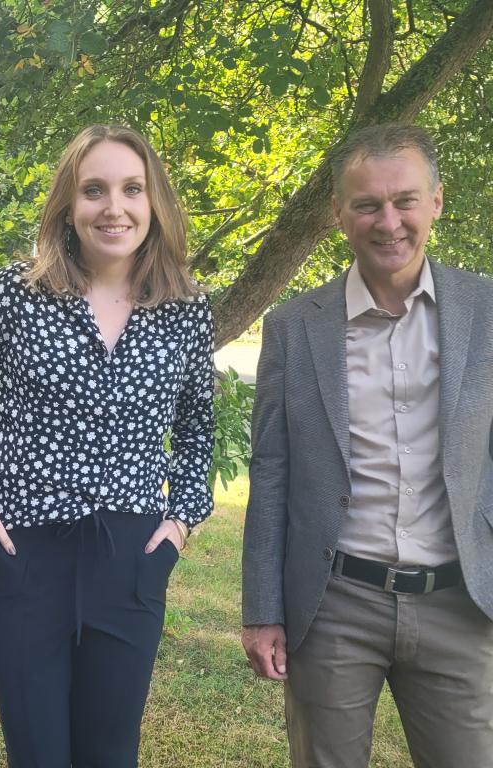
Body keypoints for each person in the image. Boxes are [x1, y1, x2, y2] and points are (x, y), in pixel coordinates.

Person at [0, 124, 214, 767]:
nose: (114, 207)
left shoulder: (186, 308)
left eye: (131, 189)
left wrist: (180, 523)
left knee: (111, 754)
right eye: (94, 190)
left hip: (131, 556)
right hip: (18, 550)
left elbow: (197, 425)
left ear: (154, 202)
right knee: (37, 753)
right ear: (68, 204)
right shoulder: (15, 293)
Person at [241, 123, 493, 766]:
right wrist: (264, 609)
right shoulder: (295, 328)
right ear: (338, 213)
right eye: (367, 204)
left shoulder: (486, 310)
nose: (389, 222)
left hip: (461, 606)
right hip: (335, 605)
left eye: (405, 200)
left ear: (436, 201)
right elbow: (272, 473)